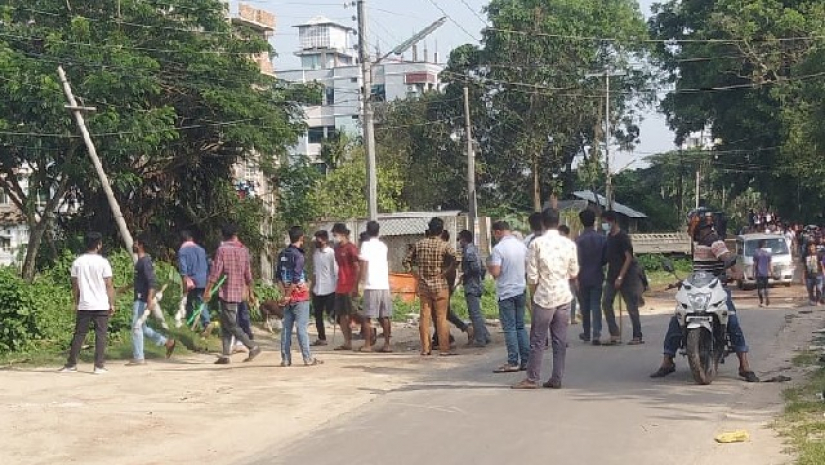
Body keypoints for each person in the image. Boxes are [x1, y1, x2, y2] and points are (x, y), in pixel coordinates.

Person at [651, 212, 759, 382]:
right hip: (699, 290)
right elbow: (699, 272)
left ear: (698, 224)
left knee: (732, 321)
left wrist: (734, 271)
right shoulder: (699, 244)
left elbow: (726, 257)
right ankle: (667, 361)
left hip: (717, 289)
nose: (689, 227)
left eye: (691, 223)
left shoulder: (715, 242)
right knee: (677, 319)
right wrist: (684, 281)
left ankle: (744, 365)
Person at [512, 208, 579, 389]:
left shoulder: (536, 244)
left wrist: (533, 296)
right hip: (564, 295)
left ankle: (532, 378)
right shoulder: (569, 244)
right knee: (560, 340)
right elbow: (573, 272)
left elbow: (532, 276)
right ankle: (557, 377)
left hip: (544, 296)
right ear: (558, 222)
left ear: (542, 222)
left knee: (538, 339)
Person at [204, 224, 261, 365]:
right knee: (225, 323)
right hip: (239, 291)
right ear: (235, 235)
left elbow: (215, 272)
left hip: (227, 292)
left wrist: (208, 290)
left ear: (223, 236)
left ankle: (252, 346)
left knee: (231, 323)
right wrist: (250, 292)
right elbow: (248, 274)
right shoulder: (244, 250)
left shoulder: (222, 250)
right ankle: (225, 354)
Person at [61, 232, 116, 374]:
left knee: (79, 334)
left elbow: (75, 285)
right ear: (99, 245)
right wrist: (111, 303)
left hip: (84, 303)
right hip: (101, 304)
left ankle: (71, 364)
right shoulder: (103, 262)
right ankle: (98, 365)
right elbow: (109, 285)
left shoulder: (77, 262)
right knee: (101, 335)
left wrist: (76, 301)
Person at [404, 217, 458, 356]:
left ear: (429, 229)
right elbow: (457, 258)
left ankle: (425, 348)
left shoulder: (420, 244)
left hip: (423, 285)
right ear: (441, 230)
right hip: (440, 284)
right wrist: (447, 271)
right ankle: (444, 348)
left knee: (424, 317)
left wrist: (414, 274)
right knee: (441, 317)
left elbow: (406, 261)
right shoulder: (444, 245)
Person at [275, 226, 322, 366]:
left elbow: (278, 277)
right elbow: (296, 279)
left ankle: (285, 359)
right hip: (299, 297)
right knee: (301, 328)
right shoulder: (299, 256)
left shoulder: (282, 254)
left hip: (287, 298)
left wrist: (284, 295)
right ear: (301, 237)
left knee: (286, 329)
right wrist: (289, 295)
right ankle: (307, 358)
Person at [488, 221, 529, 372]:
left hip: (506, 292)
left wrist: (490, 269)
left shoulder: (498, 249)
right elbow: (527, 265)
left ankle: (513, 361)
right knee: (520, 326)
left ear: (498, 232)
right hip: (520, 289)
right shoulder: (521, 246)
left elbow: (496, 272)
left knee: (510, 328)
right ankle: (526, 360)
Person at [128, 235, 176, 366]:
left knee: (136, 326)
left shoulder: (145, 262)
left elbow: (152, 282)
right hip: (140, 298)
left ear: (141, 245)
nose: (134, 245)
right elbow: (142, 281)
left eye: (136, 243)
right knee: (143, 327)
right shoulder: (140, 262)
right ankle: (167, 342)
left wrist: (149, 299)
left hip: (142, 299)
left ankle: (139, 357)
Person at [601, 211, 644, 345]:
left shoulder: (623, 237)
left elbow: (628, 257)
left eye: (606, 222)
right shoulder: (609, 237)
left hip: (627, 276)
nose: (605, 225)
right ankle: (614, 333)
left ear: (613, 221)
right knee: (606, 302)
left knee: (631, 306)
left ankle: (637, 335)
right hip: (611, 275)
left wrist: (620, 277)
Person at [434, 230, 472, 347]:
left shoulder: (446, 251)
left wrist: (444, 274)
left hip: (444, 285)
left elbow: (455, 262)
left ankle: (452, 335)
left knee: (441, 312)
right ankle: (439, 337)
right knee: (442, 312)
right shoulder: (445, 250)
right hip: (445, 284)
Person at [359, 221, 393, 352]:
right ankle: (387, 344)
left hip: (371, 284)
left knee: (367, 316)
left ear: (367, 231)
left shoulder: (365, 245)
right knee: (385, 316)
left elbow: (364, 264)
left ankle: (367, 344)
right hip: (383, 284)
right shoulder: (383, 246)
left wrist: (361, 280)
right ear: (378, 232)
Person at [576, 210, 607, 345]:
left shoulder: (578, 240)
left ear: (582, 222)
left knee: (585, 306)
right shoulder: (602, 238)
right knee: (596, 304)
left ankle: (587, 332)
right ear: (594, 221)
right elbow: (605, 258)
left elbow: (576, 260)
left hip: (582, 276)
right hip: (597, 274)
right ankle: (596, 334)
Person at [331, 223, 363, 351]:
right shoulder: (336, 249)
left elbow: (357, 267)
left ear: (343, 234)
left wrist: (355, 286)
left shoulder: (351, 248)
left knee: (354, 312)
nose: (334, 237)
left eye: (335, 234)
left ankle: (368, 329)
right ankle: (347, 342)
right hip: (340, 285)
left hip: (350, 284)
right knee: (342, 315)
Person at [458, 229, 490, 347]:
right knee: (476, 313)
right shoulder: (474, 249)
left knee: (475, 313)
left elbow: (475, 268)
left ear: (464, 239)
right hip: (476, 284)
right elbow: (482, 268)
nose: (459, 242)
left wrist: (466, 275)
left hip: (472, 285)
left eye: (459, 239)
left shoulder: (469, 252)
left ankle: (481, 339)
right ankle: (485, 335)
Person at [177, 230, 210, 329]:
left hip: (191, 281)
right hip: (203, 279)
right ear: (191, 239)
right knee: (201, 301)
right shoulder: (201, 250)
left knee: (189, 301)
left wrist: (184, 285)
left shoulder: (182, 251)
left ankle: (191, 323)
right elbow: (207, 264)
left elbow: (183, 269)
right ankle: (206, 323)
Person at [311, 230, 337, 346]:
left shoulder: (331, 253)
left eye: (319, 238)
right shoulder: (315, 254)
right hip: (318, 289)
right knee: (318, 314)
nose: (316, 241)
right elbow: (315, 272)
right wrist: (311, 287)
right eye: (316, 238)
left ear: (325, 240)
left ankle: (350, 328)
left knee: (332, 313)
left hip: (330, 288)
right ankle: (322, 338)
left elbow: (335, 271)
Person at [558, 225, 578, 325]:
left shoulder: (570, 245)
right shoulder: (558, 245)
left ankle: (572, 317)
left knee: (572, 297)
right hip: (560, 275)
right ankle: (565, 317)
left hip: (569, 275)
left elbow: (574, 261)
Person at [753, 239, 772, 307]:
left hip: (759, 273)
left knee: (760, 289)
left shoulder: (756, 252)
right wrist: (771, 272)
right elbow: (770, 264)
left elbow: (755, 264)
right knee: (766, 287)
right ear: (764, 245)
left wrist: (753, 273)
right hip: (766, 273)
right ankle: (767, 297)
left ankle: (761, 302)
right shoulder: (768, 253)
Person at [804, 242, 821, 306]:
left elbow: (822, 265)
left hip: (818, 275)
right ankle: (812, 300)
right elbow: (804, 266)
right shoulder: (805, 255)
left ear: (814, 247)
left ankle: (818, 301)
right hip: (809, 276)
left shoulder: (819, 254)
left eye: (812, 246)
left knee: (819, 288)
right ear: (808, 248)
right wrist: (803, 276)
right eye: (810, 246)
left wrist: (824, 274)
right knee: (810, 289)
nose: (811, 248)